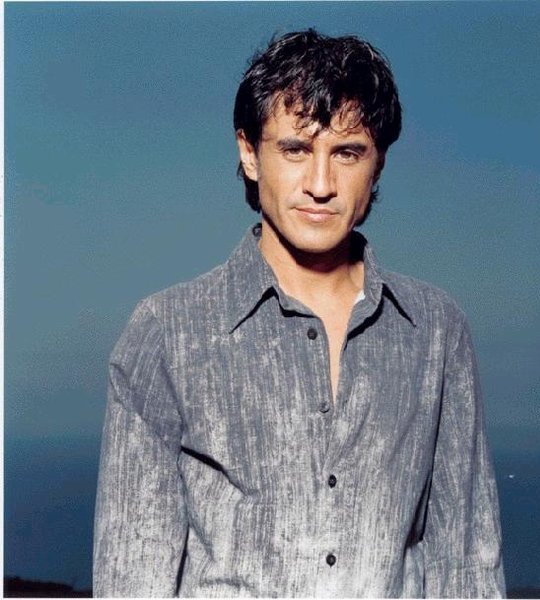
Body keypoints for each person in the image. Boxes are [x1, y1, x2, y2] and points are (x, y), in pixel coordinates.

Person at [93, 29, 505, 598]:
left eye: (347, 153)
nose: (320, 184)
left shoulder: (437, 331)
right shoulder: (167, 332)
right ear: (249, 153)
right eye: (295, 150)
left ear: (378, 164)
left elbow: (467, 567)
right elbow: (130, 577)